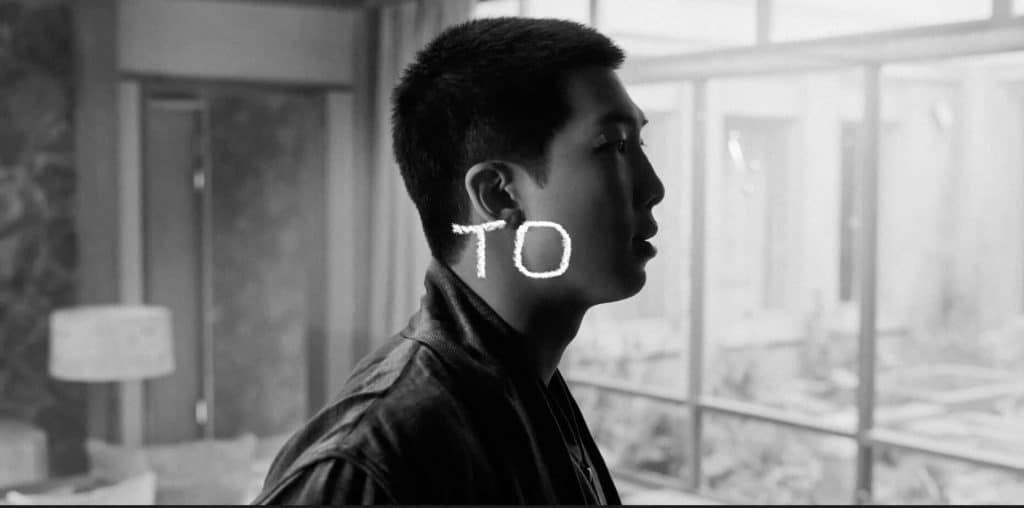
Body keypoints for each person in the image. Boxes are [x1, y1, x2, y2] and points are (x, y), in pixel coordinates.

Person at [253, 16, 664, 505]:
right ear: (498, 195)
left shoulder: (530, 386)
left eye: (638, 143)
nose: (653, 187)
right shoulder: (370, 460)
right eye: (613, 146)